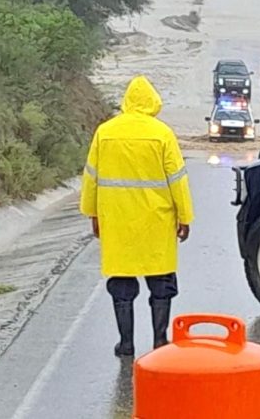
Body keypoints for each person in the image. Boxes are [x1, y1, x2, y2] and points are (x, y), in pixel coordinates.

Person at [80, 75, 194, 358]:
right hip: (156, 221)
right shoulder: (162, 133)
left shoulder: (105, 132)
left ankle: (126, 343)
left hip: (117, 221)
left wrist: (92, 213)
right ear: (153, 102)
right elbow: (177, 179)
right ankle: (159, 341)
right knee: (161, 283)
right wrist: (185, 216)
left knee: (121, 284)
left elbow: (91, 178)